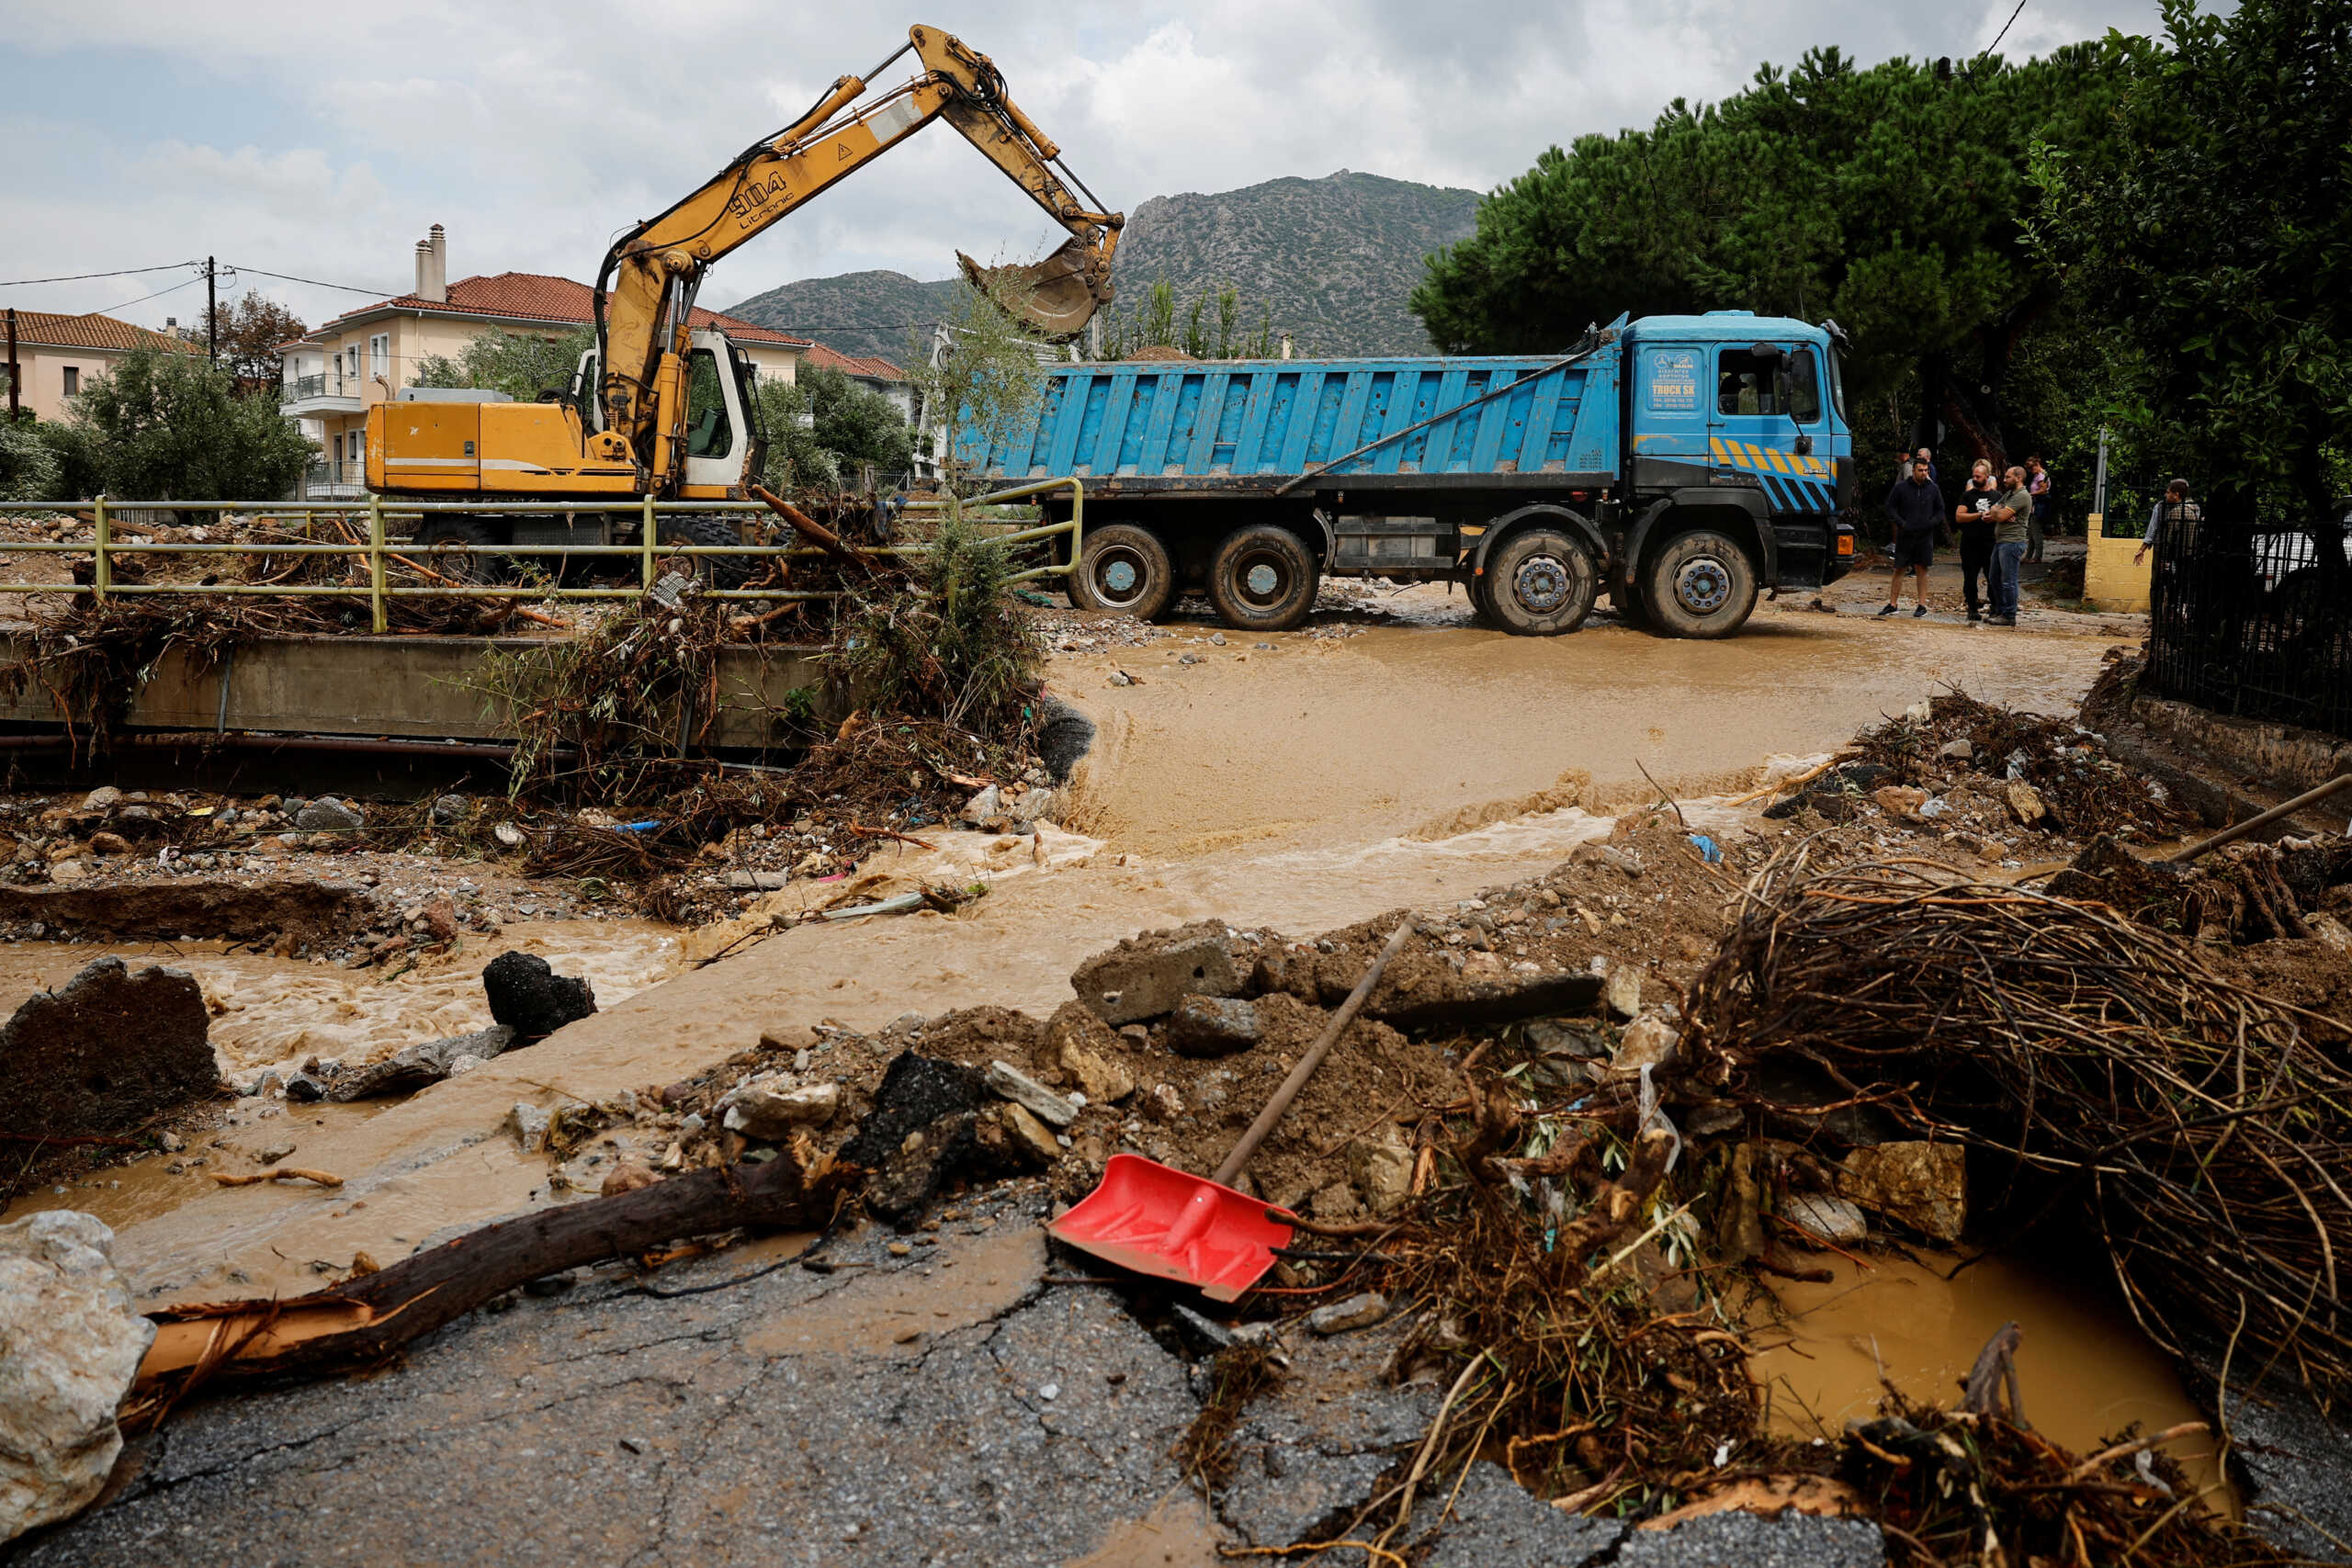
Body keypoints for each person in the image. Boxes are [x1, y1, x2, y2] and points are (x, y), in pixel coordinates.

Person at [1880, 456, 1946, 618]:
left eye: (1926, 470)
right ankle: (1893, 604)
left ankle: (1922, 605)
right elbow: (1890, 507)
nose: (1924, 473)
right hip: (1905, 534)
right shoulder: (1901, 488)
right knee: (1899, 568)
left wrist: (1931, 523)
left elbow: (1940, 510)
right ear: (1914, 470)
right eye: (1920, 470)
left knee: (1922, 569)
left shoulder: (1933, 489)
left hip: (1924, 535)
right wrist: (1901, 523)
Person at [1952, 457, 2000, 623]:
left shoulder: (1996, 496)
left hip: (1990, 541)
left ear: (1987, 477)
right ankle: (1972, 608)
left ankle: (1995, 607)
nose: (1975, 479)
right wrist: (1978, 515)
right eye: (1974, 476)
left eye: (1978, 476)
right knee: (1970, 576)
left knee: (1992, 576)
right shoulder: (1968, 495)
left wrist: (1994, 516)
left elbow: (2004, 515)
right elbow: (1959, 516)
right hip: (1970, 542)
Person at [1985, 465, 2034, 626]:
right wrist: (1999, 513)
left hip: (2012, 542)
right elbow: (1993, 511)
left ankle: (2009, 615)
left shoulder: (2022, 496)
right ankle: (2000, 610)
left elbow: (1998, 514)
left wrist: (2000, 514)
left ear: (2018, 478)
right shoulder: (2009, 494)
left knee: (2008, 580)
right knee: (1993, 578)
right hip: (2001, 541)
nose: (2004, 480)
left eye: (2008, 477)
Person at [2134, 479, 2201, 564]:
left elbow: (2163, 534)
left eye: (2168, 492)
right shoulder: (2194, 508)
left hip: (2170, 552)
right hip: (2185, 553)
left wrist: (2164, 557)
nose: (2165, 495)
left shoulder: (2178, 510)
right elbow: (2152, 529)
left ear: (2176, 495)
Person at [2025, 456, 2052, 562]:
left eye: (2031, 468)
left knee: (2036, 532)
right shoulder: (2039, 475)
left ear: (2037, 465)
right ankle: (2028, 556)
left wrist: (2030, 494)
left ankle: (2038, 556)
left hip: (2038, 506)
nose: (2030, 471)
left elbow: (2043, 490)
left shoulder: (2041, 476)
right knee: (2032, 532)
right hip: (2034, 506)